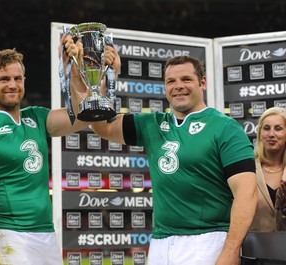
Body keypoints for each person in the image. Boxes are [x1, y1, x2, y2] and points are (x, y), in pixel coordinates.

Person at [0, 37, 120, 264]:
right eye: (4, 79)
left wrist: (101, 73)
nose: (12, 84)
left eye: (17, 78)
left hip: (45, 235)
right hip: (7, 235)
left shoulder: (36, 117)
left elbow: (84, 115)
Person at [90, 55, 257, 265]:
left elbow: (247, 193)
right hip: (161, 242)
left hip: (206, 241)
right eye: (171, 81)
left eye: (186, 79)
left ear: (202, 83)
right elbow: (101, 126)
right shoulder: (152, 123)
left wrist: (231, 250)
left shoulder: (226, 127)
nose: (178, 86)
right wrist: (108, 76)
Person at [241, 107, 286, 264]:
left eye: (278, 128)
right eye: (266, 128)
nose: (271, 134)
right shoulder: (245, 169)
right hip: (253, 257)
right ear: (259, 133)